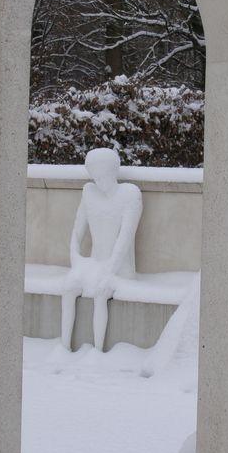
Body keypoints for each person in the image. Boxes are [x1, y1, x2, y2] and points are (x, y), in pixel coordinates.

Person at [61, 148, 142, 351]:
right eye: (95, 176)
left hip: (119, 268)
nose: (99, 181)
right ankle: (64, 347)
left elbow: (124, 239)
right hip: (94, 263)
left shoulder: (130, 195)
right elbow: (77, 230)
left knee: (100, 293)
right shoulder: (89, 192)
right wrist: (75, 258)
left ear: (113, 172)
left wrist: (109, 269)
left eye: (102, 176)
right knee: (69, 288)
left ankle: (97, 351)